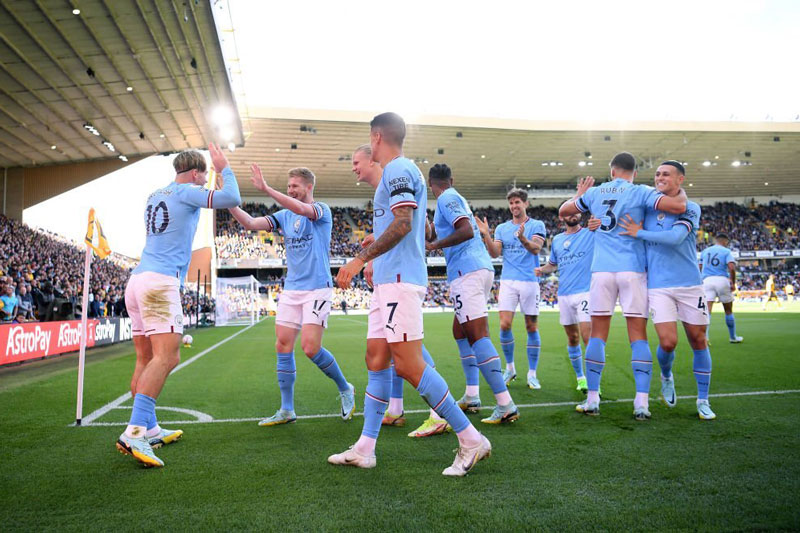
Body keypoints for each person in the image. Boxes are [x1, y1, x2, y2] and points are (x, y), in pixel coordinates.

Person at [329, 112, 491, 476]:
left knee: (408, 364)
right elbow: (414, 225)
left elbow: (404, 222)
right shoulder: (398, 172)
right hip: (389, 279)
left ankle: (470, 438)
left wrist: (359, 258)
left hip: (400, 281)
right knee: (375, 358)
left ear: (376, 137)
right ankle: (365, 448)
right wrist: (377, 239)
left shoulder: (398, 168)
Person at [117, 143, 241, 468]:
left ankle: (151, 428)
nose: (203, 184)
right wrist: (225, 168)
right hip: (160, 283)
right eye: (203, 178)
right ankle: (134, 431)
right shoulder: (188, 191)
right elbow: (233, 199)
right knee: (167, 357)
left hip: (138, 280)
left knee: (145, 358)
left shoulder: (156, 194)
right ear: (196, 173)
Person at [559, 151, 687, 420]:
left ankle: (592, 400)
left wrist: (579, 196)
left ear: (612, 170)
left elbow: (564, 211)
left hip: (601, 271)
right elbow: (678, 207)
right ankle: (641, 403)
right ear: (634, 172)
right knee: (637, 335)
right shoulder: (640, 191)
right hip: (632, 269)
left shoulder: (596, 192)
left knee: (597, 336)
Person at [227, 165, 355, 426]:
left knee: (310, 348)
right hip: (292, 288)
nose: (291, 190)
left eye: (294, 186)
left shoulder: (321, 210)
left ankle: (345, 388)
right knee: (282, 345)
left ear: (309, 187)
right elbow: (250, 223)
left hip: (317, 287)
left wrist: (266, 189)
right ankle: (287, 409)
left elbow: (302, 210)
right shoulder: (284, 215)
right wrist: (228, 201)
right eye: (288, 187)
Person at [351, 145, 449, 438]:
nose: (353, 167)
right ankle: (393, 411)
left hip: (401, 276)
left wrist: (366, 257)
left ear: (372, 157)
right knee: (386, 352)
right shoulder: (386, 186)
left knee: (407, 355)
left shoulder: (395, 175)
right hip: (390, 275)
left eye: (356, 162)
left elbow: (411, 225)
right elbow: (424, 227)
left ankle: (445, 417)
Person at [617, 161, 716, 420]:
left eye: (666, 174)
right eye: (657, 174)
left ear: (680, 179)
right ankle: (667, 376)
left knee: (698, 340)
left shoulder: (691, 208)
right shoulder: (648, 207)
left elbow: (675, 238)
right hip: (659, 287)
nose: (660, 178)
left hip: (690, 284)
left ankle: (703, 400)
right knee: (668, 342)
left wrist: (640, 233)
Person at [426, 163, 519, 424]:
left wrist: (434, 245)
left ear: (431, 184)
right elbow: (444, 228)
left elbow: (466, 230)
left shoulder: (446, 197)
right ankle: (471, 395)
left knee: (478, 336)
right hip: (478, 268)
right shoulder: (453, 198)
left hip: (467, 272)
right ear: (451, 179)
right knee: (460, 331)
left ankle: (505, 404)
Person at [475, 188, 547, 389]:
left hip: (530, 281)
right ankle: (510, 368)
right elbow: (494, 253)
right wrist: (486, 235)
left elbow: (536, 249)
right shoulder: (502, 228)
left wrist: (523, 238)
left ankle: (532, 373)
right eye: (512, 203)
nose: (514, 206)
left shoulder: (537, 225)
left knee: (531, 327)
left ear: (526, 204)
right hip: (508, 281)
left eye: (518, 202)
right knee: (504, 325)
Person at [534, 213, 594, 393]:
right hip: (565, 294)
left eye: (575, 212)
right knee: (573, 337)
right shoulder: (558, 240)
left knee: (587, 337)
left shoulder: (589, 234)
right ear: (562, 218)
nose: (572, 215)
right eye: (568, 213)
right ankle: (581, 378)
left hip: (586, 292)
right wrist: (541, 269)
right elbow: (553, 265)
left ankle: (593, 383)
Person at [699, 234, 743, 342]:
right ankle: (733, 337)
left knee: (707, 311)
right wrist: (732, 281)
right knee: (728, 310)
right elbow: (731, 267)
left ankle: (705, 338)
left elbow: (699, 267)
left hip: (707, 281)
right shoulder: (726, 251)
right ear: (725, 242)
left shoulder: (705, 251)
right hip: (722, 280)